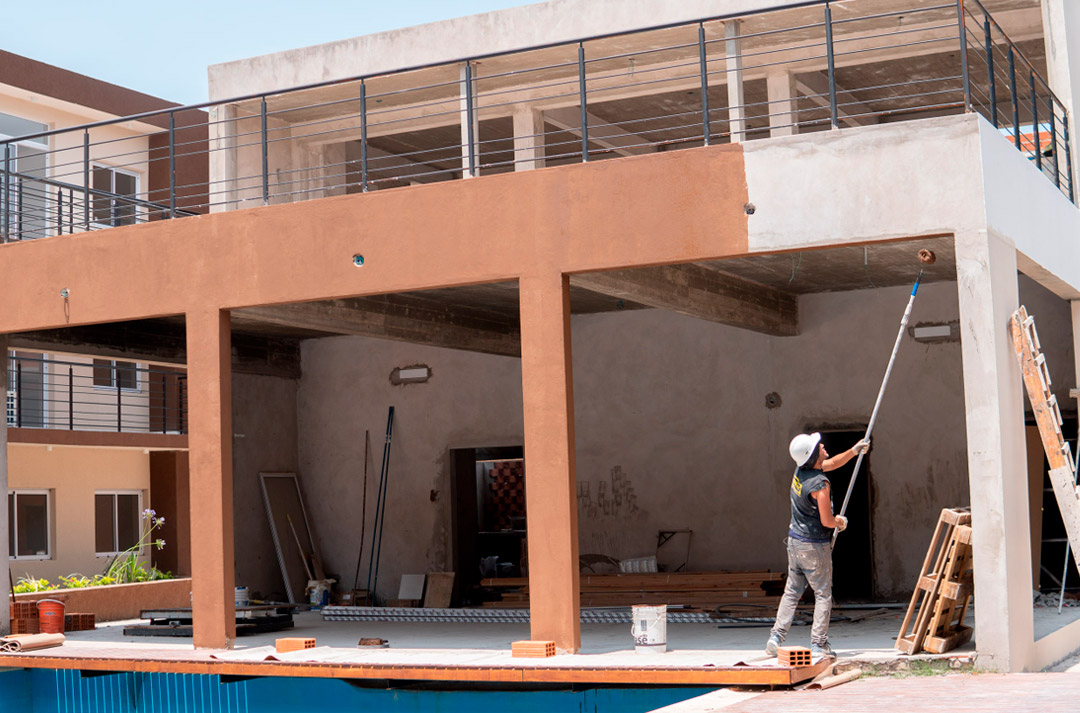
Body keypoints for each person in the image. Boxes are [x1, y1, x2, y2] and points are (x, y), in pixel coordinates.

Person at [765, 432, 869, 659]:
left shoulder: (802, 471)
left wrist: (853, 451)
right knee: (823, 594)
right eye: (818, 446)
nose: (822, 445)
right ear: (812, 455)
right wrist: (840, 522)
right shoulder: (820, 485)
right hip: (814, 547)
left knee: (792, 592)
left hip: (795, 542)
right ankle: (819, 644)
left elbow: (830, 463)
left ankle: (776, 637)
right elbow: (826, 521)